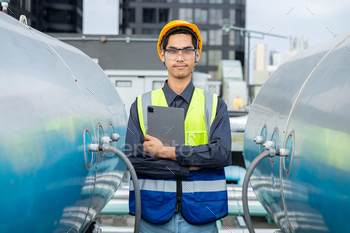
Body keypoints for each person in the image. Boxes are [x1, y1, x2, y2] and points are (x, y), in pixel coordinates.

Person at [125, 19, 232, 233]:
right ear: (162, 55)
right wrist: (186, 167)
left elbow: (221, 153)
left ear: (197, 55)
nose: (180, 57)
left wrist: (167, 152)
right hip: (153, 215)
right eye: (172, 50)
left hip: (203, 214)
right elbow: (133, 160)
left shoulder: (214, 104)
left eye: (187, 50)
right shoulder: (141, 104)